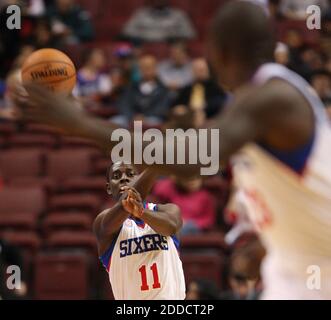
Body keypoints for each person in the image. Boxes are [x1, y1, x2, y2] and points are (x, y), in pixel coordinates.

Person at [14, 1, 331, 299]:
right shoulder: (260, 100)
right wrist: (270, 243)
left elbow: (195, 159)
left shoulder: (272, 97)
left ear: (220, 52)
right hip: (291, 266)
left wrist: (82, 125)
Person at [93, 162, 185, 300]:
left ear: (141, 179)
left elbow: (170, 226)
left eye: (130, 174)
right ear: (109, 188)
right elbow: (111, 220)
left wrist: (141, 213)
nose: (124, 179)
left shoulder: (168, 210)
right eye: (117, 176)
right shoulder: (103, 221)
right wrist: (158, 162)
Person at [111, 55, 171, 127]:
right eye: (143, 67)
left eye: (149, 67)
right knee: (114, 122)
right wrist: (132, 116)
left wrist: (143, 117)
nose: (146, 70)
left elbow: (162, 108)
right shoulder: (132, 87)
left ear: (155, 69)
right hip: (131, 118)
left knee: (153, 122)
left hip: (151, 118)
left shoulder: (163, 89)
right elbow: (124, 104)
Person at [122, 0, 196, 43]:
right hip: (144, 49)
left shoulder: (178, 15)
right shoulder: (140, 14)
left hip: (171, 52)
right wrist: (144, 36)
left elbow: (190, 34)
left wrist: (173, 36)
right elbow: (127, 32)